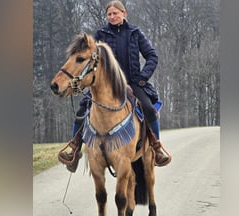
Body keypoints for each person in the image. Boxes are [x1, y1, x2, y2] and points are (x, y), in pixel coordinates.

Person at [59, 0, 171, 172]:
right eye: (109, 14)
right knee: (82, 110)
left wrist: (142, 79)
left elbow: (152, 56)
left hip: (133, 82)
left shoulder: (135, 33)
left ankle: (156, 147)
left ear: (124, 13)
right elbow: (90, 58)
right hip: (106, 85)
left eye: (115, 13)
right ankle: (74, 148)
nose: (112, 17)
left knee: (149, 109)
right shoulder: (101, 35)